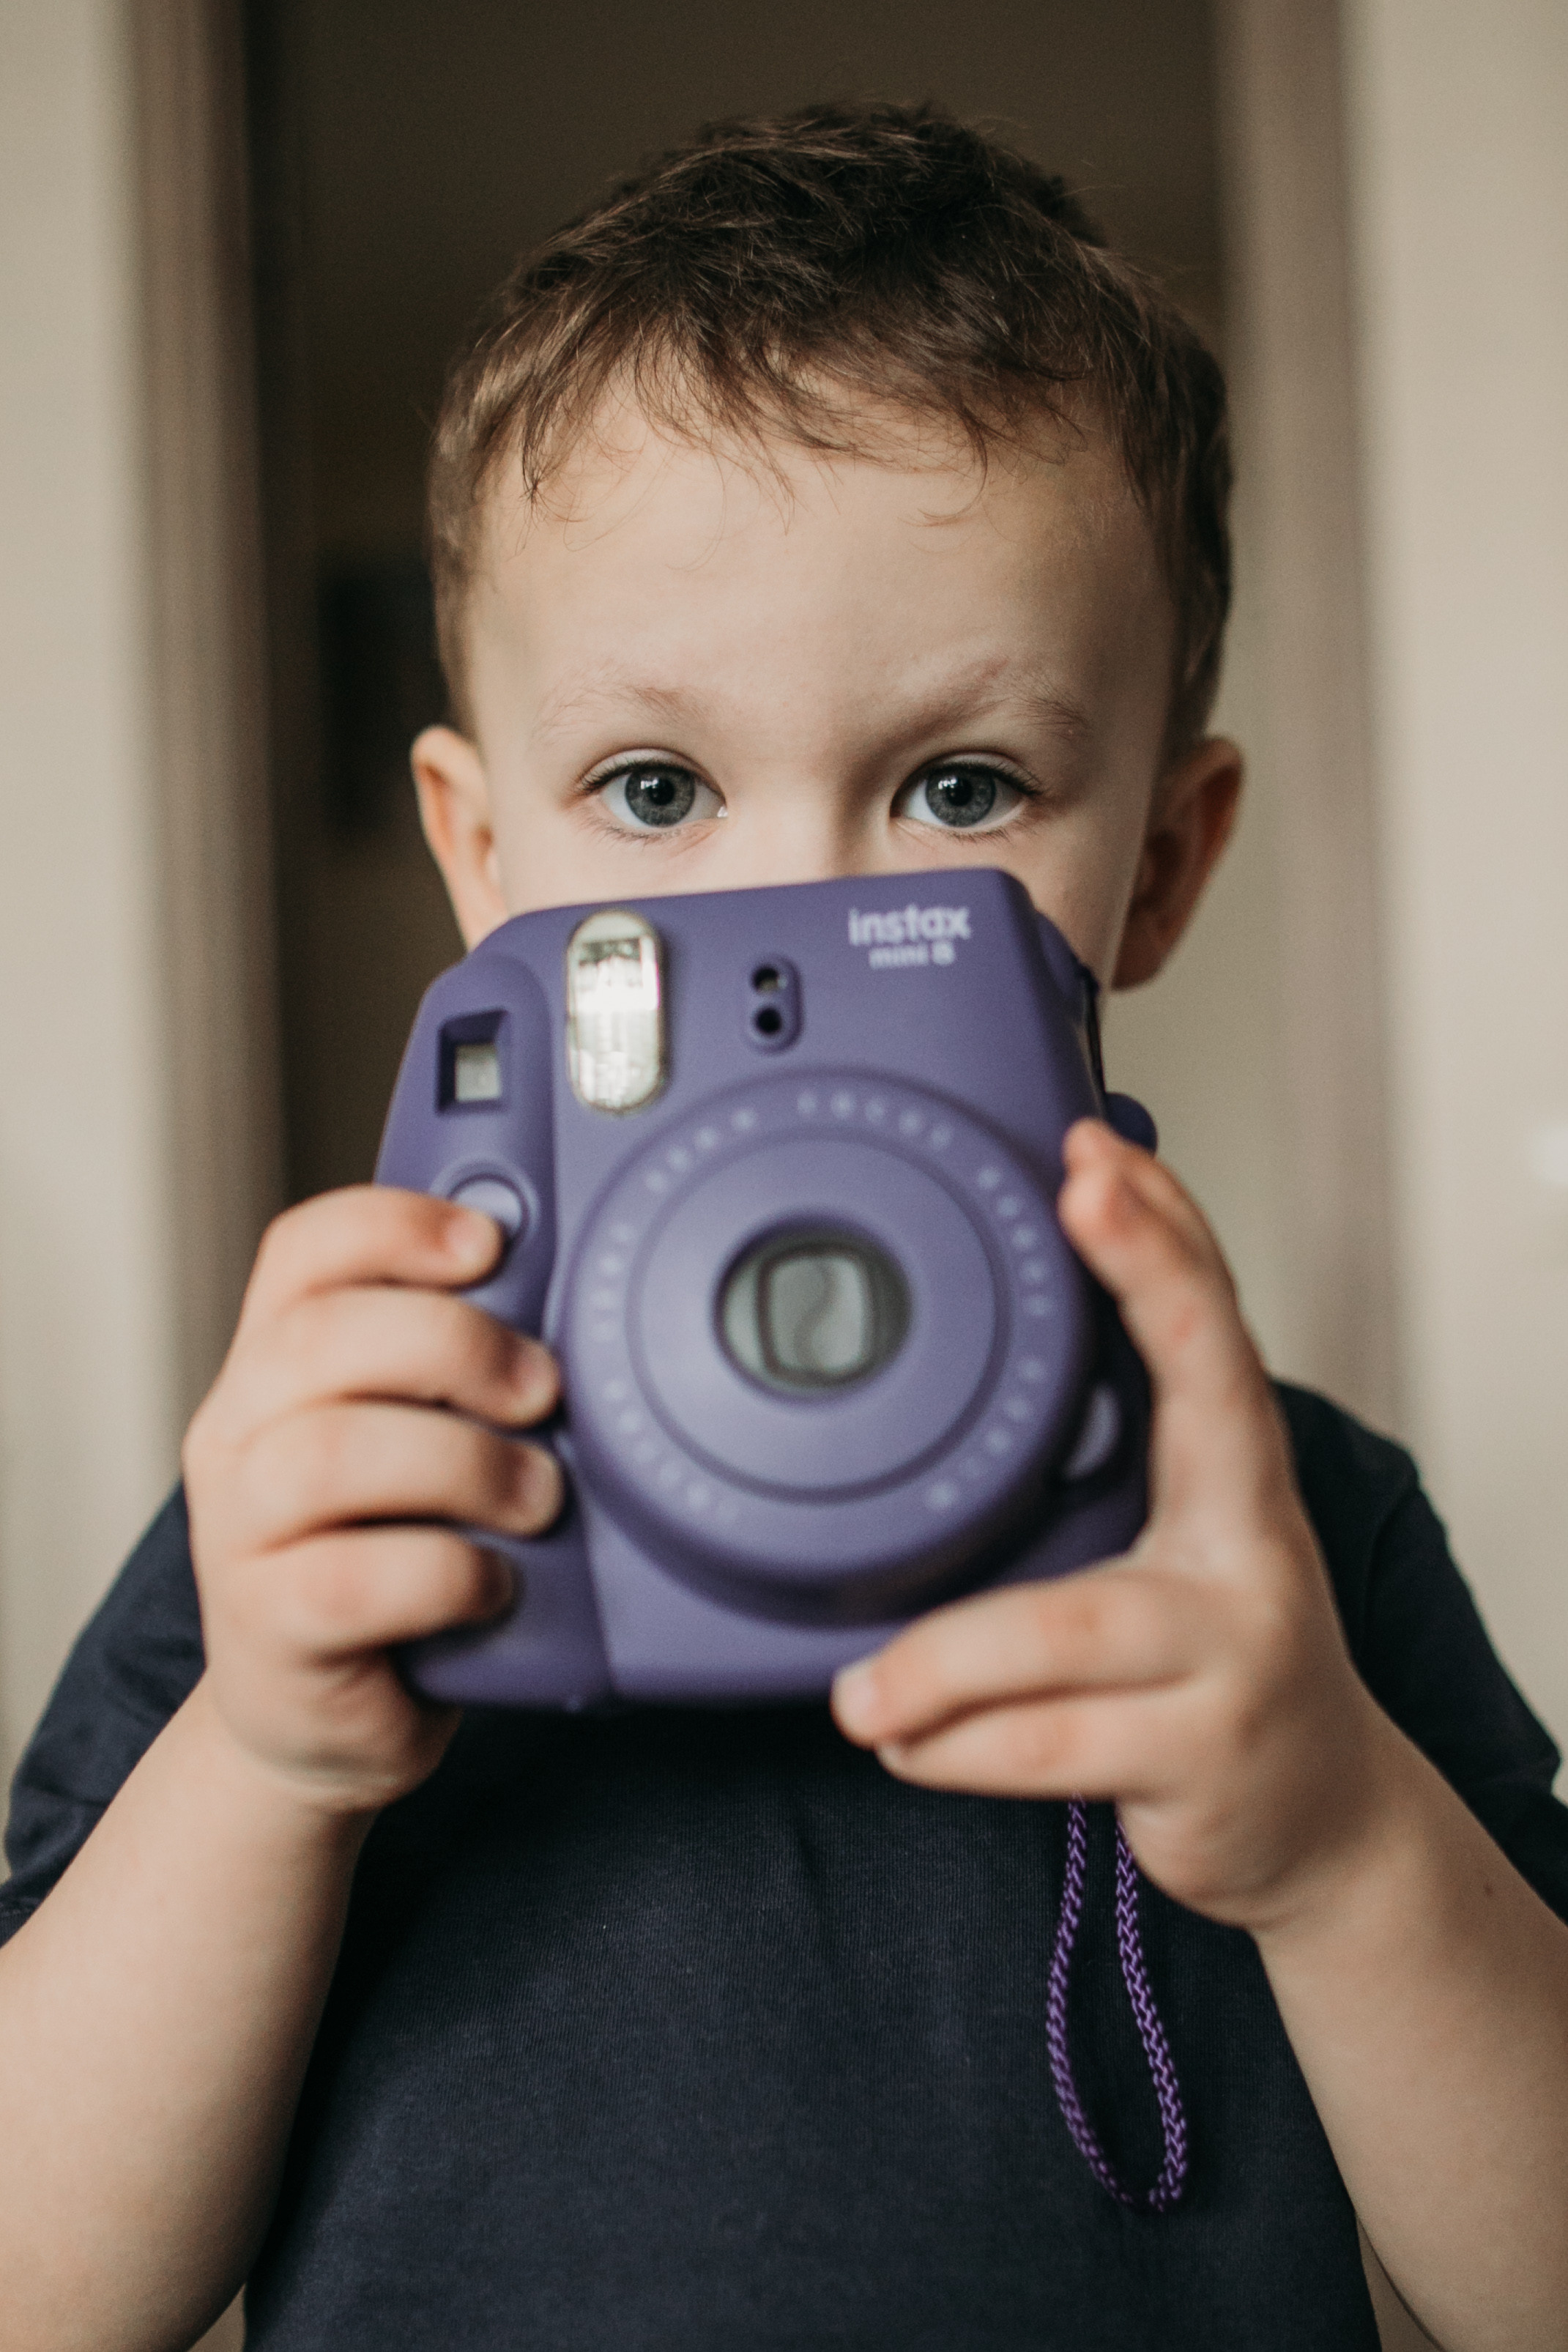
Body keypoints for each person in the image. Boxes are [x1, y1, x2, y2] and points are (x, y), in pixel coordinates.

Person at [3, 102, 1567, 2352]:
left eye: (960, 785)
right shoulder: (362, 1504)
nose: (796, 915)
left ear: (1159, 864)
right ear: (482, 858)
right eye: (655, 789)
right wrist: (261, 1763)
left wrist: (1338, 1844)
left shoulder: (1280, 1540)